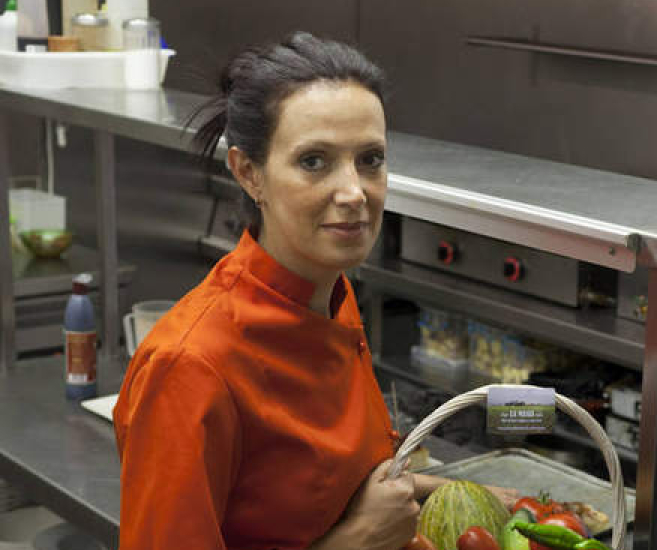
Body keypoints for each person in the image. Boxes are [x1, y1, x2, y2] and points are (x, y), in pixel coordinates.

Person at [113, 33, 513, 550]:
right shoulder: (189, 367)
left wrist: (457, 491)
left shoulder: (332, 298)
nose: (353, 192)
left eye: (370, 159)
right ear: (248, 172)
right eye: (314, 162)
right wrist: (359, 539)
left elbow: (318, 484)